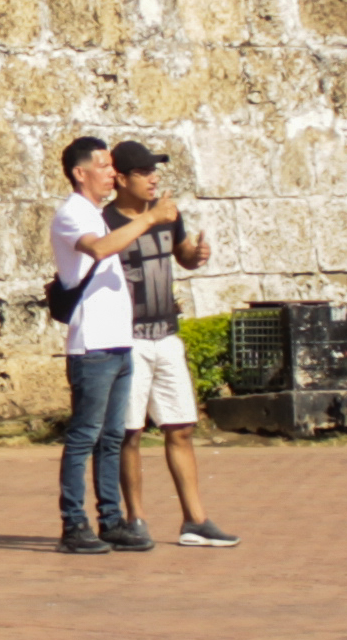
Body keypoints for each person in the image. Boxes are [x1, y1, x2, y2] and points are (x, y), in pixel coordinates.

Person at [108, 144, 235, 547]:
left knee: (180, 426)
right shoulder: (105, 220)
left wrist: (196, 254)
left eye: (154, 171)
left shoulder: (167, 214)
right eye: (144, 172)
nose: (154, 179)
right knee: (129, 431)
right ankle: (136, 519)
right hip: (127, 339)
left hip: (166, 334)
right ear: (121, 179)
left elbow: (181, 256)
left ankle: (195, 520)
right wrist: (150, 219)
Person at [48, 135, 170, 553]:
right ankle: (73, 522)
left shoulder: (98, 214)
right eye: (102, 165)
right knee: (85, 435)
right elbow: (98, 250)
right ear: (81, 173)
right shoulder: (72, 214)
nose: (111, 174)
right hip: (93, 346)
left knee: (112, 436)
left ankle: (112, 519)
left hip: (118, 343)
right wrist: (150, 219)